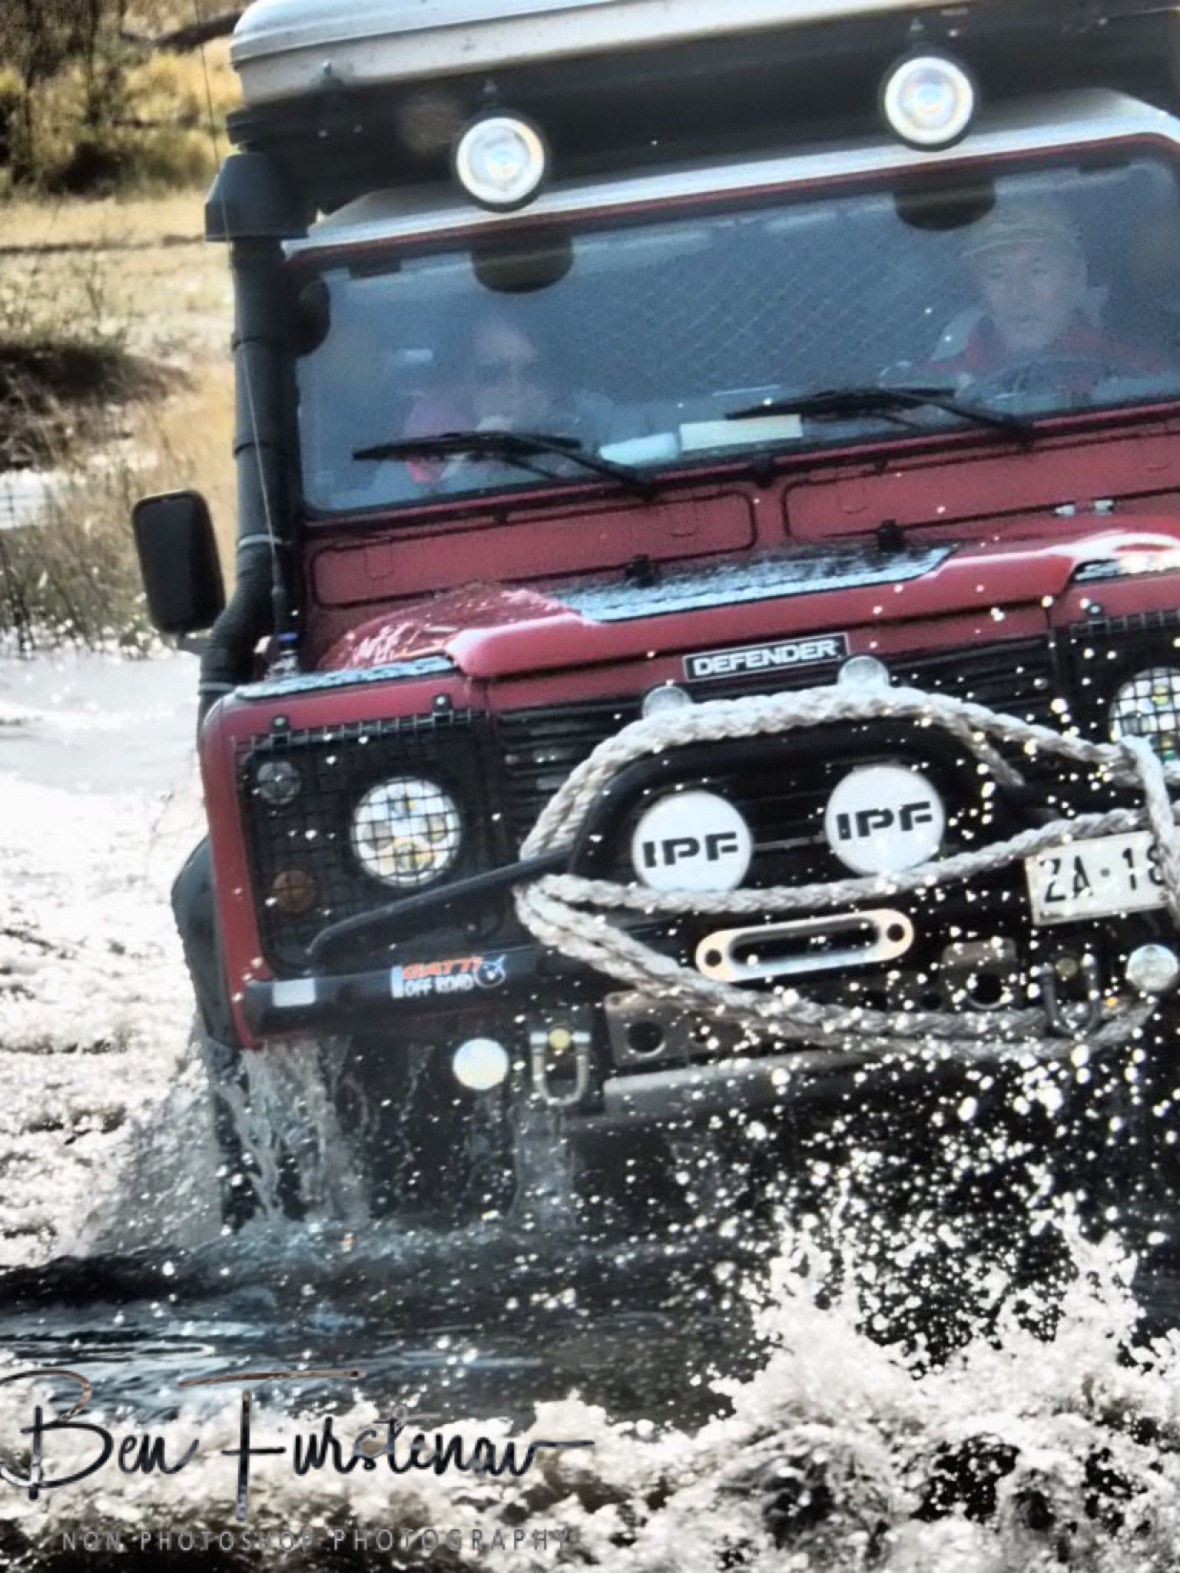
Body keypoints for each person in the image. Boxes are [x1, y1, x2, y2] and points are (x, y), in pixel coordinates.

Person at [931, 198, 1165, 386]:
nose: (1018, 295)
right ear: (979, 289)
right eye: (997, 275)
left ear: (1076, 277)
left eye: (1037, 271)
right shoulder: (933, 393)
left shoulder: (1143, 376)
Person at [403, 311, 606, 487]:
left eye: (534, 371)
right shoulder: (421, 451)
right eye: (493, 373)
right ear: (462, 383)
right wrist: (471, 456)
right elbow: (433, 510)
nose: (515, 389)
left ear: (554, 379)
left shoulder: (595, 422)